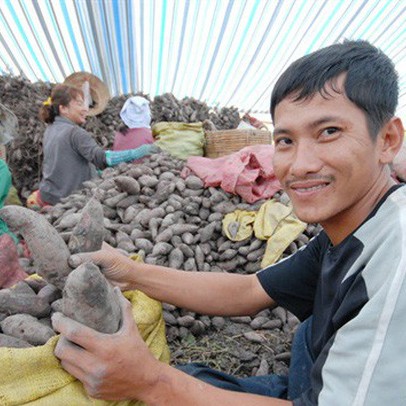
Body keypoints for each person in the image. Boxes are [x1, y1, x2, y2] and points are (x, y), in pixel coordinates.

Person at [51, 39, 405, 405]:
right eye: (285, 140)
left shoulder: (397, 260)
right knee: (198, 377)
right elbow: (250, 290)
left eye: (328, 132)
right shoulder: (347, 230)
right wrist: (130, 273)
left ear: (388, 140)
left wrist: (149, 382)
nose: (300, 165)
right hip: (318, 382)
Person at [32, 84, 159, 207]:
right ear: (63, 108)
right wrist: (136, 153)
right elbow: (102, 158)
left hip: (48, 193)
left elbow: (67, 158)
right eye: (79, 104)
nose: (86, 109)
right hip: (69, 198)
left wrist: (92, 169)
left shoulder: (50, 128)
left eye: (85, 104)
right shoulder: (75, 132)